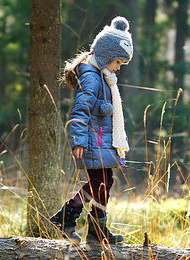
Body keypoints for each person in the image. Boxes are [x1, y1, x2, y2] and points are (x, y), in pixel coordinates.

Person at [49, 16, 133, 244]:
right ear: (105, 55)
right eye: (117, 62)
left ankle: (95, 229)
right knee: (101, 182)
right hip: (92, 140)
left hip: (100, 140)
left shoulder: (102, 76)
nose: (118, 68)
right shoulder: (92, 77)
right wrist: (78, 140)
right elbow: (81, 109)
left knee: (105, 182)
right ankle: (68, 217)